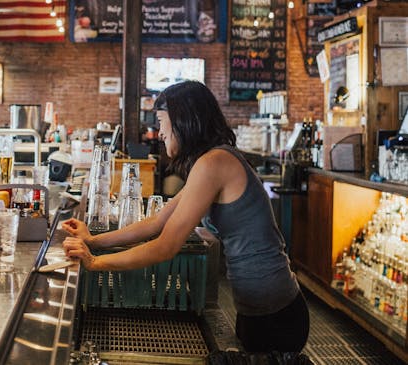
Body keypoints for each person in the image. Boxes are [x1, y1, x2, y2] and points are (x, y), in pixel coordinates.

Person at [62, 81, 309, 353]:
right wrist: (94, 241)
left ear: (183, 120)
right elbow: (157, 222)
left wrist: (96, 262)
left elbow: (166, 246)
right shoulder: (210, 161)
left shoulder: (214, 163)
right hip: (258, 307)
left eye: (161, 121)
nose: (159, 132)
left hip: (275, 313)